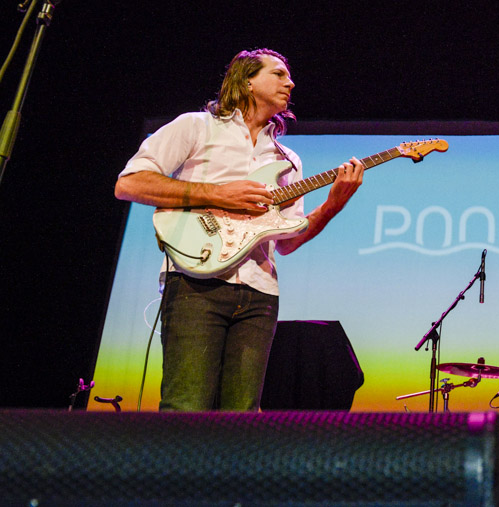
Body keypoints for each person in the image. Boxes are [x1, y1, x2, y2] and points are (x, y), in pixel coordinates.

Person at [114, 48, 364, 411]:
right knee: (188, 408)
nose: (290, 82)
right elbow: (129, 184)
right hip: (194, 284)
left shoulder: (287, 160)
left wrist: (333, 205)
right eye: (278, 74)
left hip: (259, 295)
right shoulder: (195, 127)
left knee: (243, 419)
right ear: (247, 79)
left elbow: (288, 243)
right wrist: (218, 194)